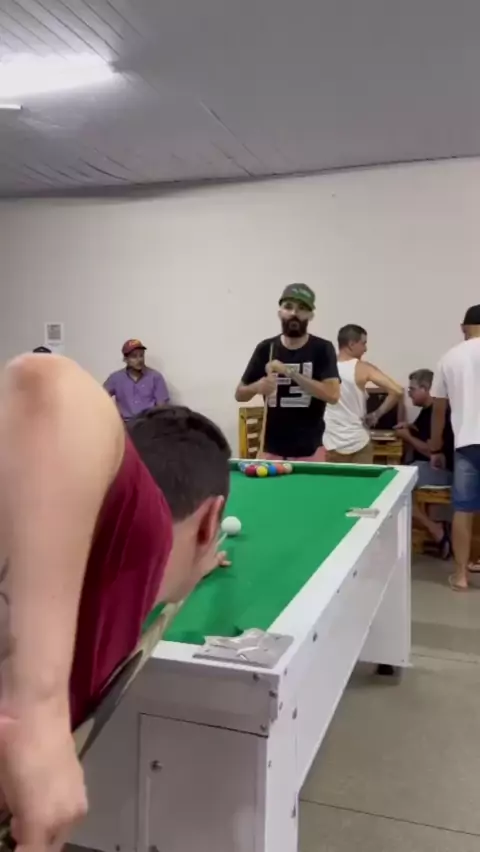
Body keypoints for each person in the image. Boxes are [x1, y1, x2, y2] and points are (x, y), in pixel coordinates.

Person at [0, 352, 230, 848]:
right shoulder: (146, 532)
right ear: (211, 520)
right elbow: (47, 386)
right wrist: (37, 713)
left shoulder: (114, 570)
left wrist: (200, 562)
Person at [235, 284, 340, 460]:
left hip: (311, 452)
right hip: (271, 452)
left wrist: (289, 372)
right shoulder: (265, 348)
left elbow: (333, 395)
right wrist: (257, 387)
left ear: (311, 315)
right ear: (280, 312)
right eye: (288, 307)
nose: (294, 313)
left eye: (302, 308)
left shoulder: (322, 348)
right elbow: (239, 394)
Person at [430, 304, 480, 590]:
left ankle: (461, 575)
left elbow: (438, 408)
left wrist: (435, 445)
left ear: (464, 327)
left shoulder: (450, 357)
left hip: (466, 444)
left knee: (463, 509)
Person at [394, 369, 454, 557]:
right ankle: (435, 529)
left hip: (443, 471)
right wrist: (410, 427)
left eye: (412, 389)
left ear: (426, 388)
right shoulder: (426, 411)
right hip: (427, 467)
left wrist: (407, 437)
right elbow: (424, 434)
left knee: (396, 487)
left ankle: (436, 530)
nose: (409, 393)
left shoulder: (439, 413)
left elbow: (431, 451)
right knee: (398, 482)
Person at [323, 324, 403, 463]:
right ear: (351, 344)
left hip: (331, 442)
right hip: (358, 442)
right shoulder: (363, 368)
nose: (365, 349)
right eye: (363, 343)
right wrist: (376, 414)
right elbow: (397, 391)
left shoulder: (323, 366)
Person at [104, 339, 169, 420]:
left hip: (148, 422)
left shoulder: (155, 377)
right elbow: (100, 398)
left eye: (141, 355)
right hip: (125, 423)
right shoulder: (116, 378)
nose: (139, 360)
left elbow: (162, 407)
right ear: (125, 359)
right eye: (134, 356)